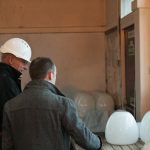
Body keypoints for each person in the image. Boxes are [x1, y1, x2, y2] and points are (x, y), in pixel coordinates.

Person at [2, 57, 102, 150]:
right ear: (50, 75)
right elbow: (84, 138)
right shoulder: (64, 104)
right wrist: (99, 143)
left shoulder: (10, 106)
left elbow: (7, 145)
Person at [0, 38, 32, 150]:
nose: (26, 67)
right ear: (11, 59)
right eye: (23, 62)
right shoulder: (6, 81)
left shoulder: (8, 78)